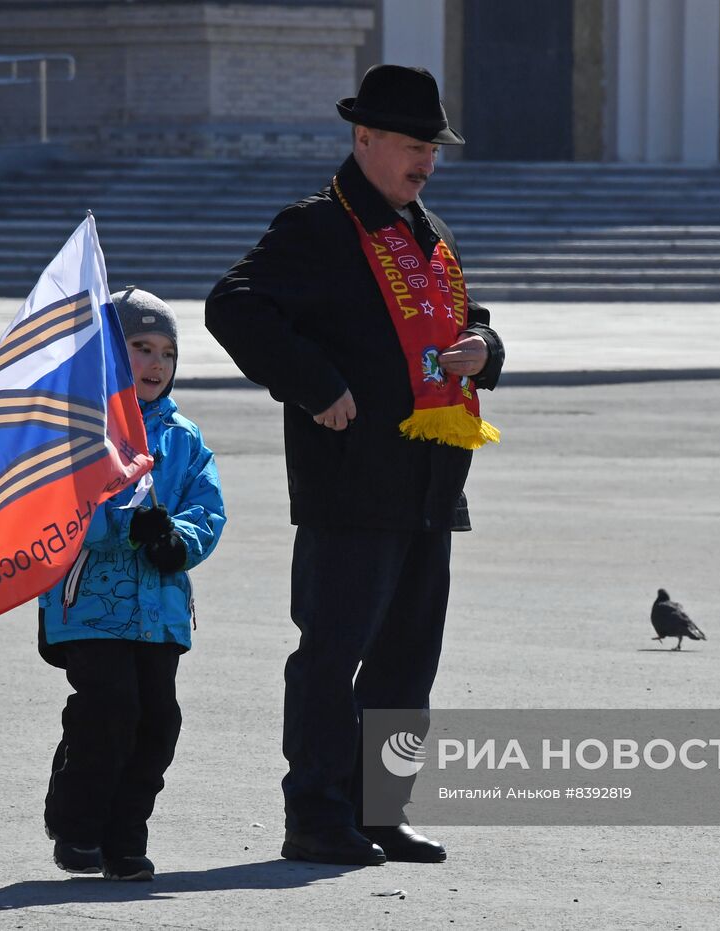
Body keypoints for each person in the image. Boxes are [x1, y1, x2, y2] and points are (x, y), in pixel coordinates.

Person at [204, 64, 504, 866]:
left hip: (432, 480)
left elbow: (464, 320)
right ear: (363, 138)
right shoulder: (317, 228)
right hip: (350, 480)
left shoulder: (428, 229)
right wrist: (315, 384)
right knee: (333, 654)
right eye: (413, 145)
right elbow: (233, 305)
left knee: (409, 660)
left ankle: (382, 810)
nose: (425, 162)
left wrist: (487, 348)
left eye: (432, 148)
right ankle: (316, 813)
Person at [37, 287, 226, 881]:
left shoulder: (183, 435)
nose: (155, 364)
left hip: (161, 606)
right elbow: (54, 509)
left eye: (167, 352)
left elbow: (207, 505)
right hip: (89, 602)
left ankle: (125, 837)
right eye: (140, 348)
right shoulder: (77, 430)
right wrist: (125, 523)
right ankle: (78, 825)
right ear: (109, 358)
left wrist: (180, 540)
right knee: (111, 708)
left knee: (157, 719)